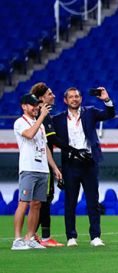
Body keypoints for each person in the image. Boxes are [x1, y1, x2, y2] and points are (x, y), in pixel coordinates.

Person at [52, 86, 115, 247]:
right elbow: (51, 140)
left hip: (89, 162)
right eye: (71, 97)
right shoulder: (58, 119)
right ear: (65, 100)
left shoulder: (90, 112)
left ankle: (95, 236)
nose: (74, 99)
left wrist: (106, 100)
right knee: (70, 202)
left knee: (93, 201)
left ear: (81, 99)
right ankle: (71, 237)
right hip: (70, 164)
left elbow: (110, 114)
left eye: (77, 96)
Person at [11, 94, 62, 251]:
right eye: (33, 105)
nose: (36, 108)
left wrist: (54, 168)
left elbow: (45, 147)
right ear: (24, 106)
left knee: (37, 204)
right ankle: (17, 239)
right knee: (23, 203)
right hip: (28, 168)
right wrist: (42, 117)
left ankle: (31, 237)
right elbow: (29, 134)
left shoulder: (38, 124)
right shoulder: (20, 122)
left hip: (42, 169)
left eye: (37, 105)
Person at [29, 82, 65, 247]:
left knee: (40, 200)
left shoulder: (35, 114)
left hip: (37, 161)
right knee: (44, 199)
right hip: (42, 163)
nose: (54, 95)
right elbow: (51, 140)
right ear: (42, 98)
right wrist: (72, 148)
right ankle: (43, 237)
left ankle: (32, 236)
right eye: (50, 93)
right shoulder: (43, 115)